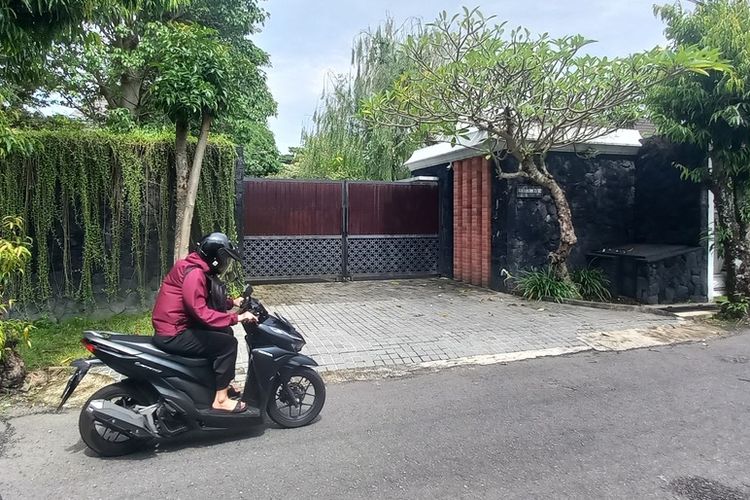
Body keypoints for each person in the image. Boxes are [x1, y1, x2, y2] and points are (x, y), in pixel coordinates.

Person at [151, 232, 257, 413]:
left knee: (225, 333)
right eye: (224, 258)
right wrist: (236, 317)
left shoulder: (195, 266)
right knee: (227, 344)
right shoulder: (195, 273)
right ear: (215, 257)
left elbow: (204, 297)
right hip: (174, 333)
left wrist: (233, 302)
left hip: (176, 327)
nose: (225, 263)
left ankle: (220, 385)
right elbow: (201, 312)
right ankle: (221, 400)